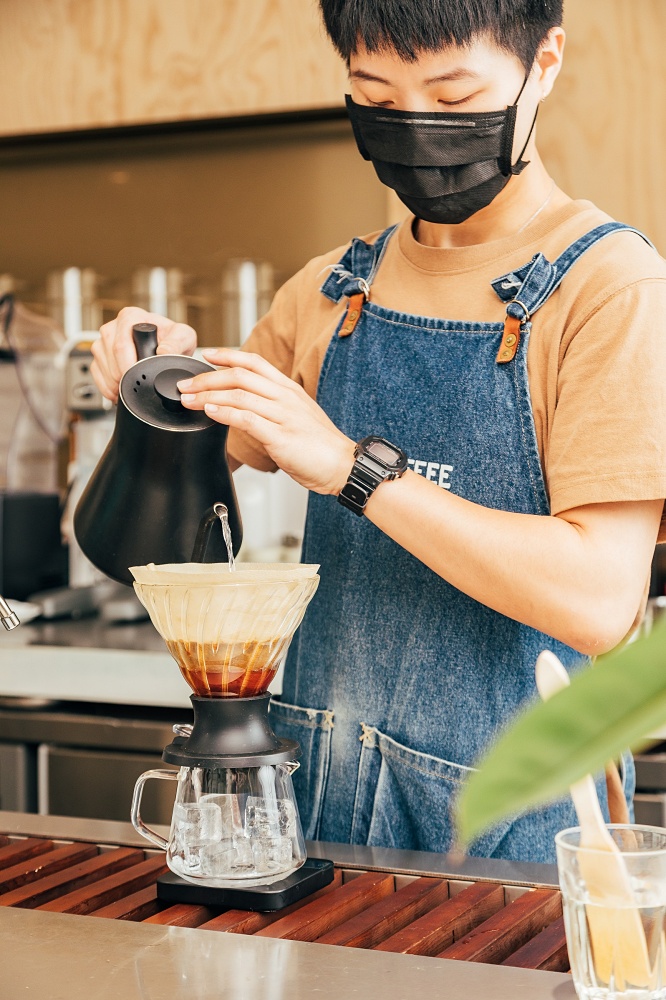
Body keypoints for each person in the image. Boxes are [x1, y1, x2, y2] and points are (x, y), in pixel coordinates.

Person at [91, 0, 666, 863]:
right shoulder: (327, 292)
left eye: (453, 96)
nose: (417, 127)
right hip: (322, 822)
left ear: (544, 62)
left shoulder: (612, 288)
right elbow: (153, 534)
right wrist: (150, 394)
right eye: (379, 97)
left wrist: (351, 471)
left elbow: (597, 600)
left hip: (517, 847)